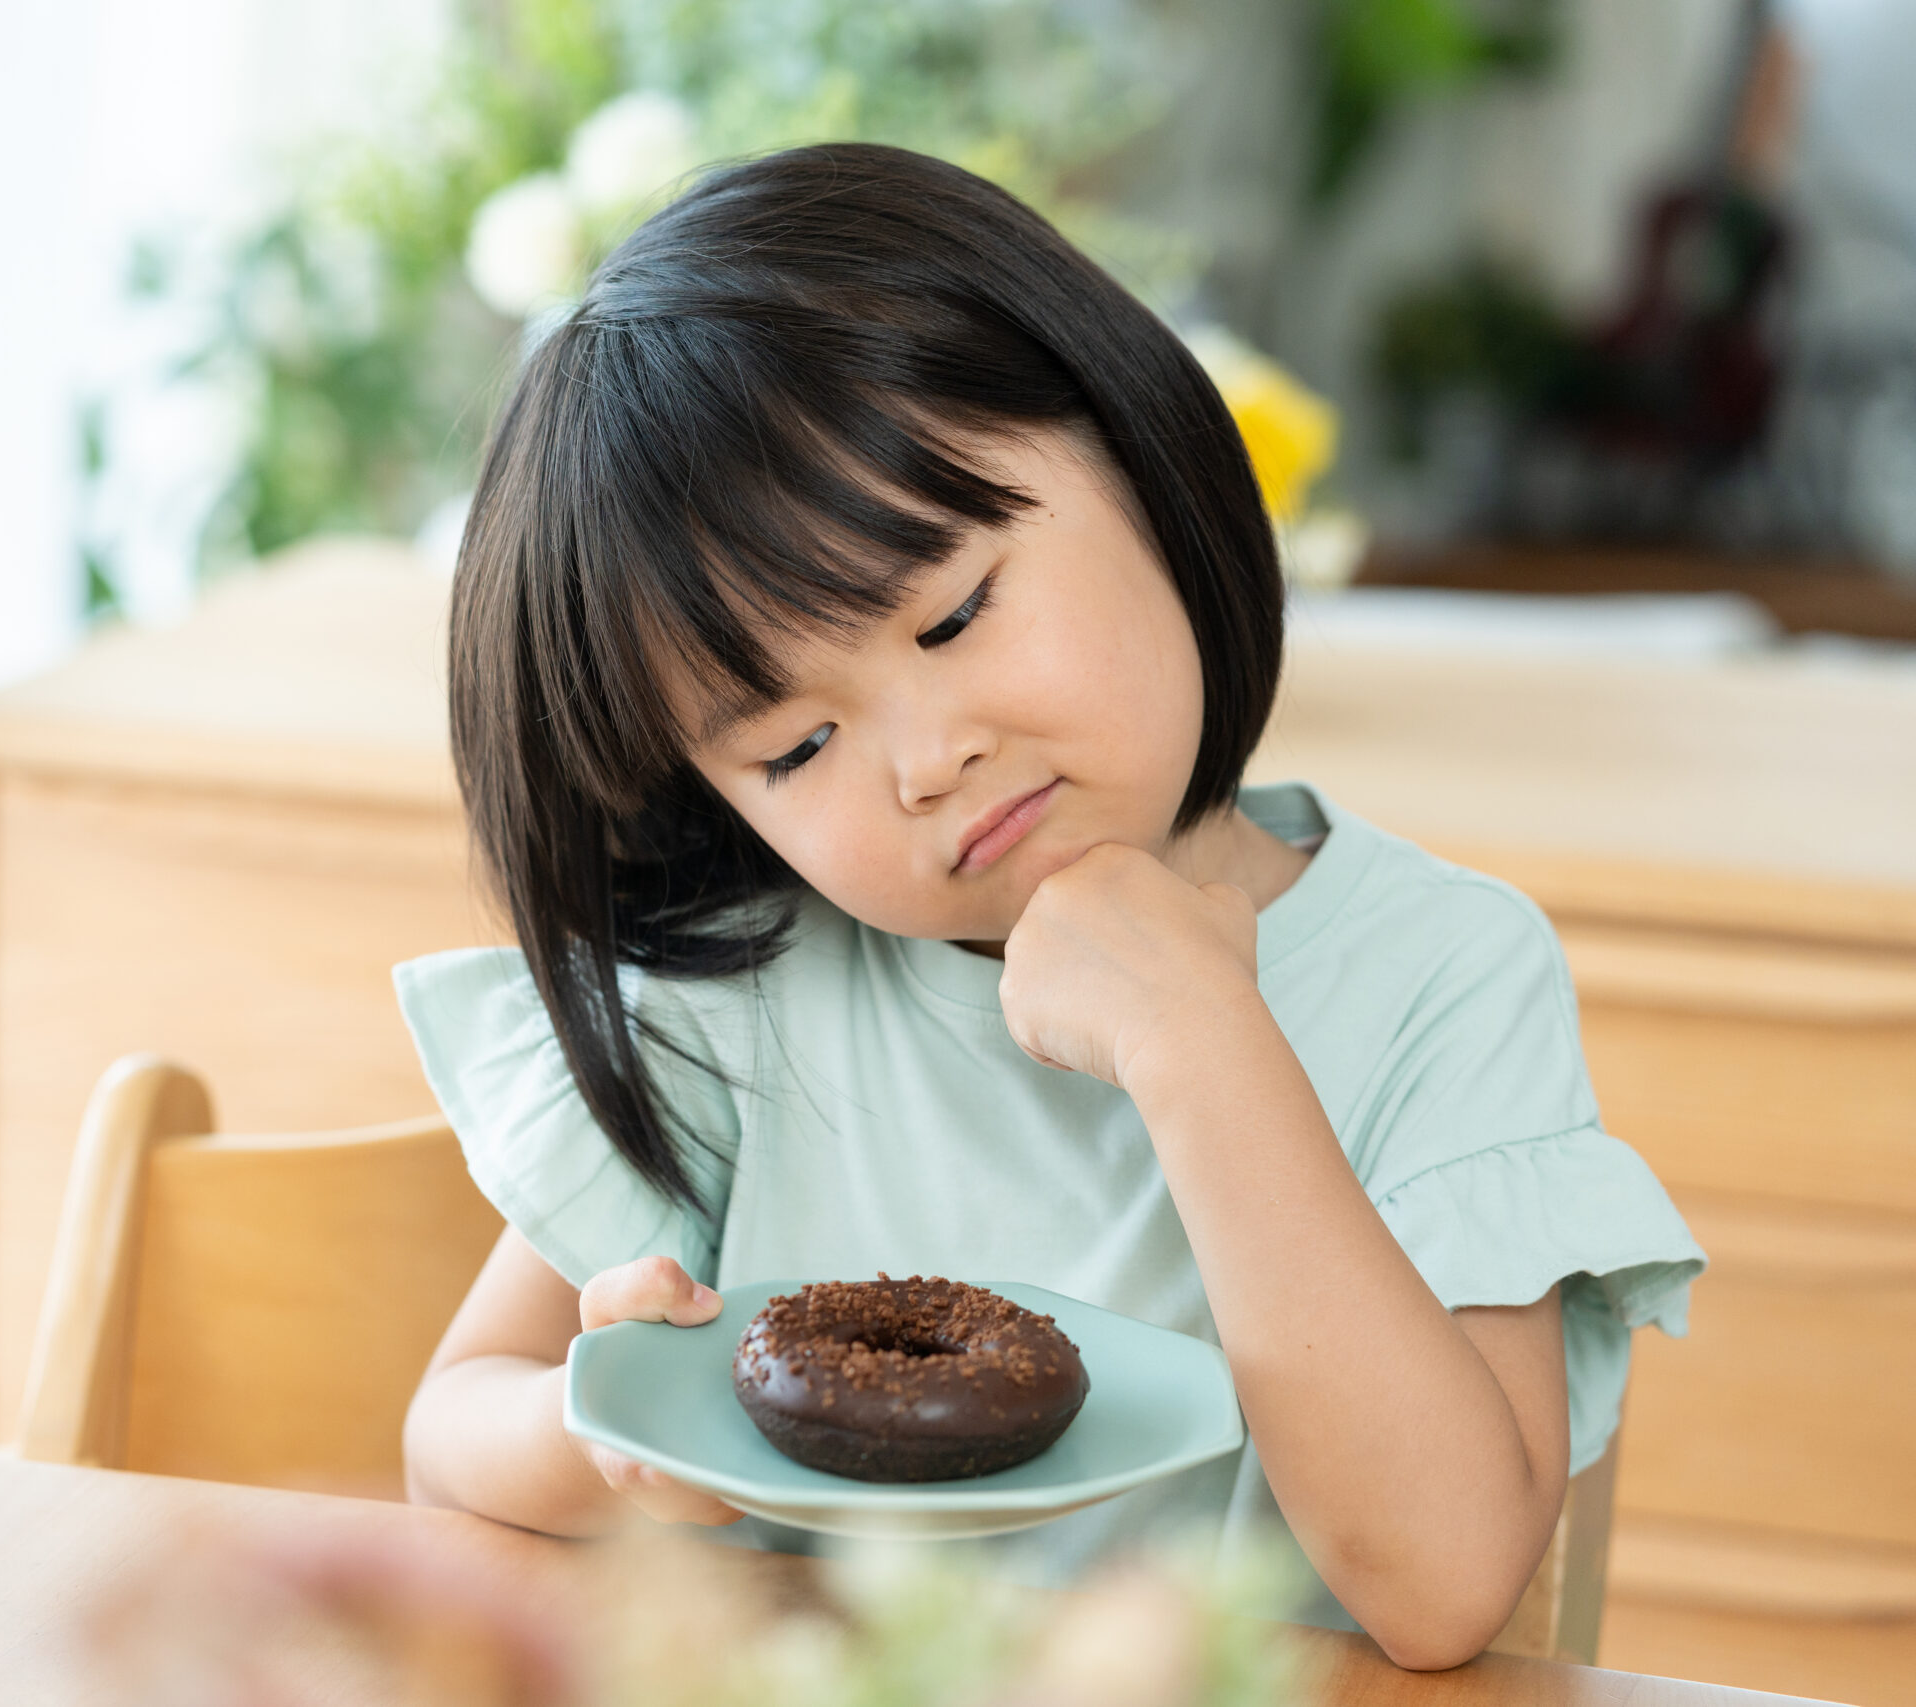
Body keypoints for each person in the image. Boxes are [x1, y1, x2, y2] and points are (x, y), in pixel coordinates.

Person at [394, 143, 1702, 1671]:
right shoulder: (750, 996)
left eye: (954, 614)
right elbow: (450, 1430)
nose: (925, 761)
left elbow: (1443, 1584)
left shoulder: (1441, 979)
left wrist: (1200, 1040)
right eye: (796, 747)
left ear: (1139, 455)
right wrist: (609, 1429)